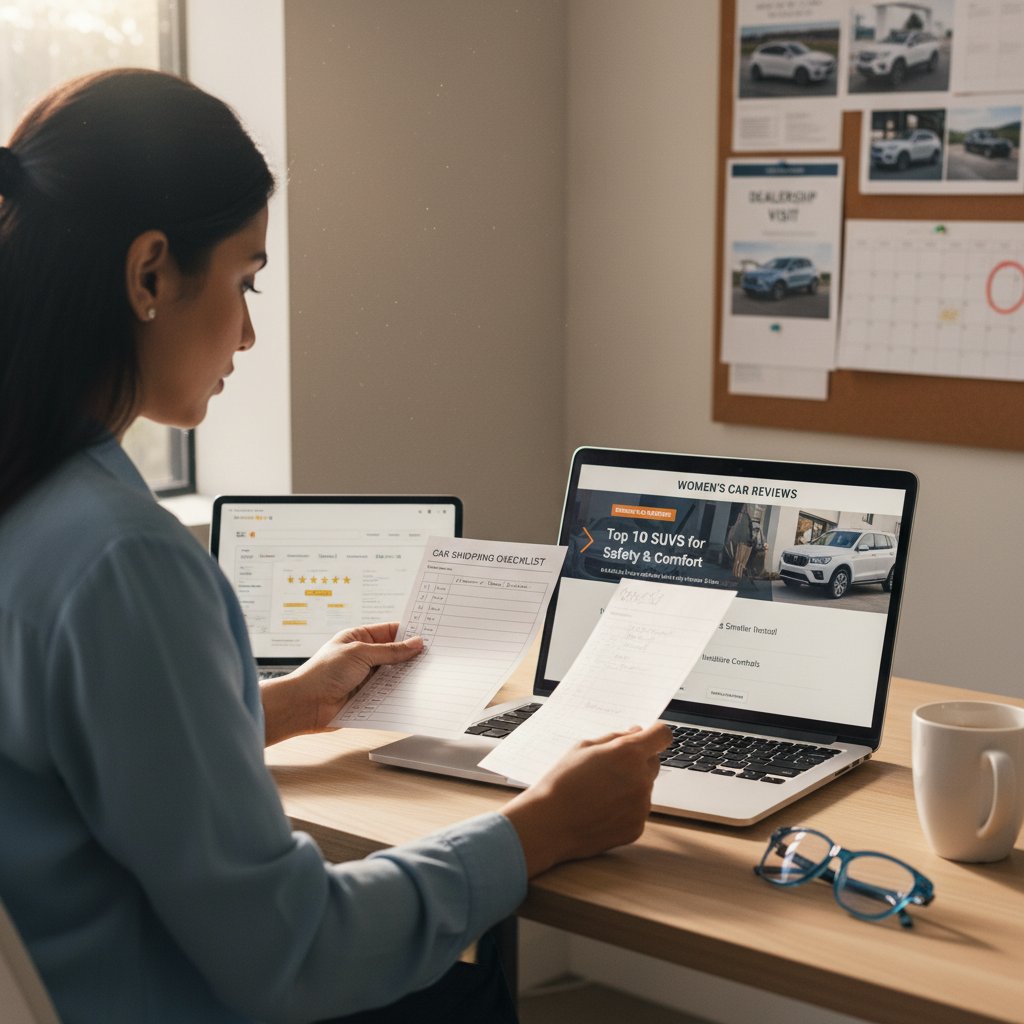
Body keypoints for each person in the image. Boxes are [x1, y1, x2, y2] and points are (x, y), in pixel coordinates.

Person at [0, 70, 670, 1024]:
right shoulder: (125, 564)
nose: (248, 329)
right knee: (464, 978)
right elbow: (295, 953)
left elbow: (71, 759)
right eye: (244, 279)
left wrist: (271, 706)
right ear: (150, 273)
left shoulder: (32, 507)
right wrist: (541, 828)